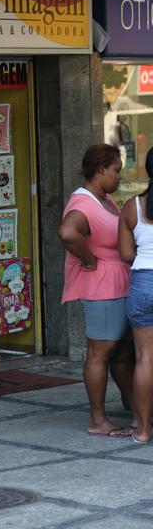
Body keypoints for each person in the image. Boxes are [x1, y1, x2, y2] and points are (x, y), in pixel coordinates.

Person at [59, 144, 134, 437]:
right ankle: (98, 419)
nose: (119, 177)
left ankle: (135, 407)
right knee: (100, 353)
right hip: (101, 287)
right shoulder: (84, 202)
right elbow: (67, 233)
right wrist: (89, 259)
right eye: (116, 171)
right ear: (101, 168)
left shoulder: (102, 198)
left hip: (116, 285)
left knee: (120, 353)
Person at [119, 146, 153, 443]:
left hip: (142, 284)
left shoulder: (133, 206)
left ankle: (142, 430)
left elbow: (127, 253)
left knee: (144, 358)